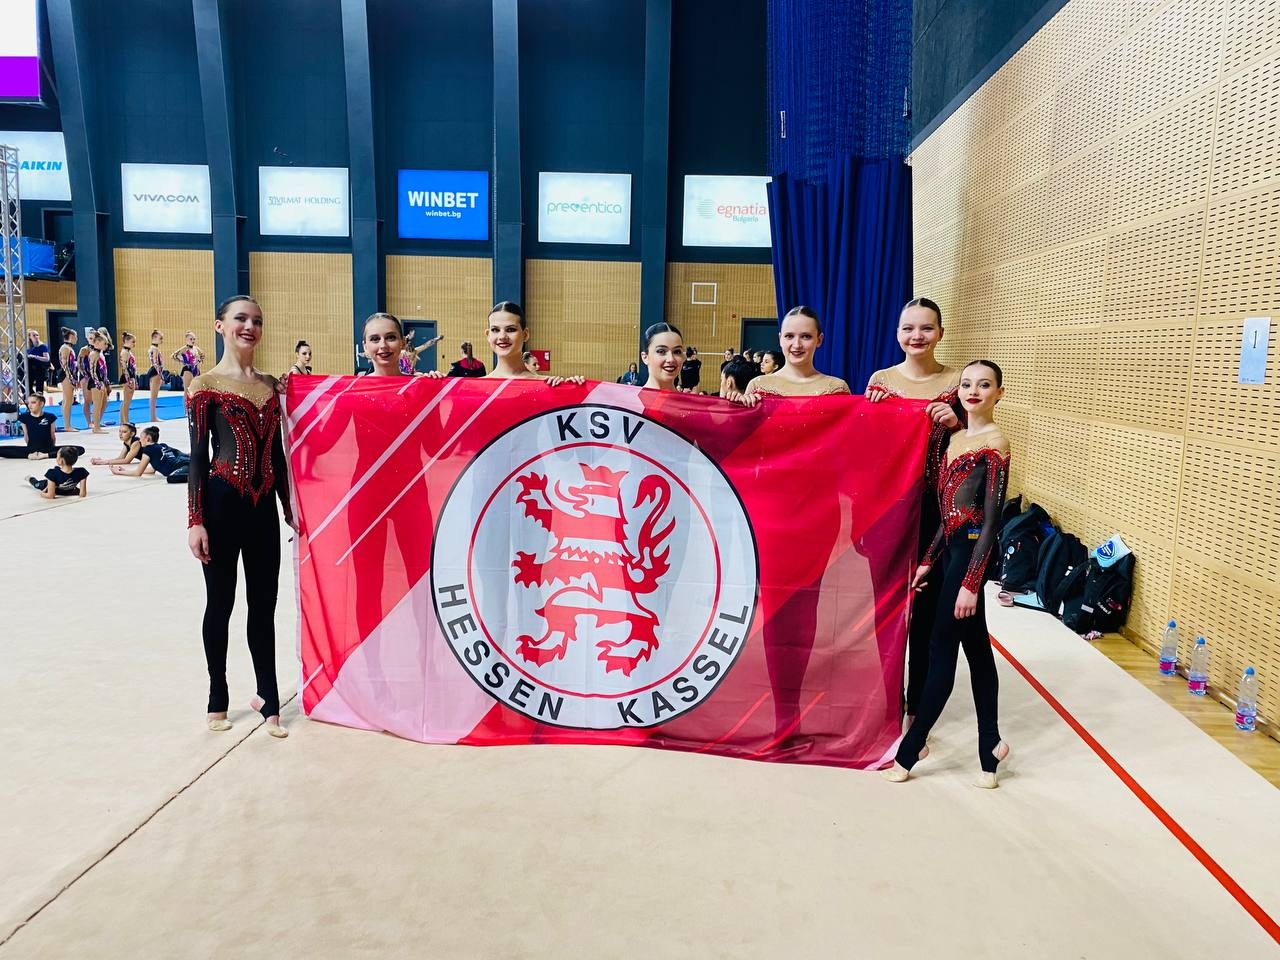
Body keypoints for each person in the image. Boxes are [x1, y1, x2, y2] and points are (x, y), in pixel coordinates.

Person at [884, 360, 1011, 789]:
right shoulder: (955, 438)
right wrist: (927, 559)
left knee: (941, 648)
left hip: (972, 555)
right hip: (952, 551)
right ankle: (991, 745)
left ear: (999, 393)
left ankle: (910, 750)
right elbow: (947, 515)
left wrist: (971, 583)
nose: (973, 391)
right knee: (977, 650)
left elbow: (989, 522)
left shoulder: (994, 442)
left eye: (984, 385)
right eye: (967, 384)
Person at [186, 295, 294, 737]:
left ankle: (268, 695)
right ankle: (218, 694)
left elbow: (278, 455)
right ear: (220, 326)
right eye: (241, 319)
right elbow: (197, 456)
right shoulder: (205, 385)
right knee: (221, 602)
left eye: (257, 321)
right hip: (220, 504)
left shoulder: (271, 386)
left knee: (264, 605)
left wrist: (289, 507)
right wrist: (195, 519)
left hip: (262, 509)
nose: (250, 327)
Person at [865, 297, 964, 720]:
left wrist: (956, 423)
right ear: (897, 334)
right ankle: (886, 699)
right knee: (886, 607)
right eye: (908, 328)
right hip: (887, 509)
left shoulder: (958, 382)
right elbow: (864, 448)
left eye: (926, 328)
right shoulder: (881, 381)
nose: (916, 336)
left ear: (940, 333)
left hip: (938, 512)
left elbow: (979, 444)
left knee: (927, 609)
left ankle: (918, 704)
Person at [733, 306, 851, 404]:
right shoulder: (757, 386)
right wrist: (736, 405)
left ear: (819, 340)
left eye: (806, 336)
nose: (797, 345)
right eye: (789, 336)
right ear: (780, 339)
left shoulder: (837, 388)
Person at [0, 392, 84, 460]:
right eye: (28, 403)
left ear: (41, 404)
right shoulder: (24, 417)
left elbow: (52, 435)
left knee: (79, 449)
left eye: (33, 403)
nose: (30, 405)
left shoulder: (50, 416)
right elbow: (26, 436)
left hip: (47, 448)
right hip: (31, 449)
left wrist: (50, 451)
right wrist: (30, 451)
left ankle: (45, 455)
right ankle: (29, 455)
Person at [111, 425, 190, 482]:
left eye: (141, 437)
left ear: (148, 438)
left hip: (183, 466)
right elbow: (152, 470)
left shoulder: (148, 450)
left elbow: (138, 473)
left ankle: (196, 476)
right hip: (187, 463)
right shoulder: (162, 446)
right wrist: (126, 470)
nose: (139, 440)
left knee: (171, 478)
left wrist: (118, 472)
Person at [639, 322, 685, 391]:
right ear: (645, 357)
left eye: (677, 352)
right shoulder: (628, 398)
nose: (671, 359)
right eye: (661, 351)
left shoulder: (688, 398)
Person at [364, 313, 409, 377]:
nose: (383, 345)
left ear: (403, 342)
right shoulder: (356, 383)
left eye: (391, 337)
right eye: (375, 339)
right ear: (365, 346)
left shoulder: (417, 382)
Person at [57, 328, 79, 431]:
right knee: (68, 400)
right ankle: (67, 425)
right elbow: (65, 365)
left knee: (68, 400)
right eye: (76, 337)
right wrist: (71, 379)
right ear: (71, 337)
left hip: (69, 375)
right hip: (66, 376)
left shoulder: (68, 347)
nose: (77, 339)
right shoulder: (65, 348)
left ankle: (67, 424)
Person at [119, 332, 138, 425]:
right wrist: (128, 379)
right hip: (128, 377)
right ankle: (125, 421)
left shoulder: (128, 352)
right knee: (127, 401)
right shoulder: (125, 352)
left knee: (127, 401)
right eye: (133, 342)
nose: (134, 344)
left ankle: (124, 421)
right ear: (126, 341)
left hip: (130, 376)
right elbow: (123, 366)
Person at [148, 330, 166, 421]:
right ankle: (153, 417)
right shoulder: (155, 349)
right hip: (155, 372)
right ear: (154, 337)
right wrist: (161, 375)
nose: (162, 340)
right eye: (160, 338)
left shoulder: (152, 348)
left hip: (153, 371)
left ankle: (153, 416)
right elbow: (155, 363)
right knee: (154, 396)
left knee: (153, 396)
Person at [25, 330, 50, 395]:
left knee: (39, 388)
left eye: (37, 335)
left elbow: (47, 359)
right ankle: (33, 398)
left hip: (40, 369)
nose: (36, 337)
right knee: (28, 387)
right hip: (30, 370)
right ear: (30, 337)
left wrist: (35, 357)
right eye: (34, 335)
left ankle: (38, 399)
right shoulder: (29, 348)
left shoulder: (43, 346)